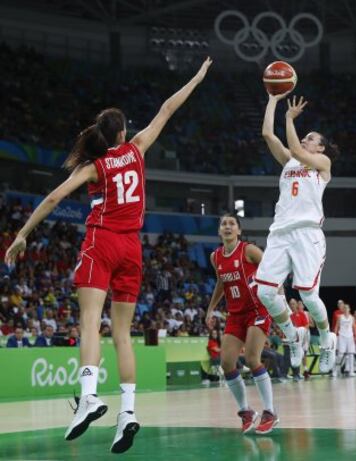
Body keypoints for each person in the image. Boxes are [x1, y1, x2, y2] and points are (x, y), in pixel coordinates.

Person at [4, 57, 212, 454]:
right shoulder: (138, 148)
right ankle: (128, 413)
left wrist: (23, 234)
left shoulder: (95, 166)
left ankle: (88, 398)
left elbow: (53, 197)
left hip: (103, 241)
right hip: (134, 248)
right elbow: (169, 107)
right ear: (124, 130)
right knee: (122, 336)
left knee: (88, 323)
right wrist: (197, 78)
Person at [256, 93, 339, 374]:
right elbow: (267, 133)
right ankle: (292, 336)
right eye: (304, 136)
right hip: (279, 233)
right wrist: (273, 99)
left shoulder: (322, 165)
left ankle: (327, 339)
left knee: (308, 296)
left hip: (307, 234)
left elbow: (295, 146)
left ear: (322, 148)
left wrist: (289, 120)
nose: (305, 139)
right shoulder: (289, 162)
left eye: (311, 138)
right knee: (265, 292)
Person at [206, 213, 282, 435]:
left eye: (232, 224)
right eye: (223, 224)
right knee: (227, 363)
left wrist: (279, 292)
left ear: (238, 231)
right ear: (219, 231)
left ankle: (270, 411)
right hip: (236, 314)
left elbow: (272, 268)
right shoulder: (216, 257)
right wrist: (211, 308)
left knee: (251, 358)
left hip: (258, 309)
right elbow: (221, 282)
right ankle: (246, 411)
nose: (227, 227)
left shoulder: (248, 250)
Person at [334, 304, 356, 377]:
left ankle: (351, 371)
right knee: (340, 354)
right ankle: (335, 370)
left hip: (350, 337)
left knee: (351, 354)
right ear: (343, 310)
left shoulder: (352, 318)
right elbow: (336, 326)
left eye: (347, 308)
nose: (346, 309)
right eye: (344, 308)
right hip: (342, 336)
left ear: (349, 309)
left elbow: (354, 328)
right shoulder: (340, 317)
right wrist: (335, 336)